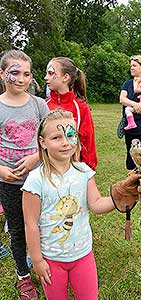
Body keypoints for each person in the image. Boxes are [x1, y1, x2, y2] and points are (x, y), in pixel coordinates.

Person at [22, 110, 115, 300]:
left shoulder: (84, 172)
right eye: (57, 137)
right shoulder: (35, 181)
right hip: (51, 258)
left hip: (83, 255)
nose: (65, 142)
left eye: (71, 135)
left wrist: (119, 199)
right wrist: (37, 260)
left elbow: (96, 204)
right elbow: (30, 224)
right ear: (42, 142)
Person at [0, 49, 49, 300]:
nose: (21, 79)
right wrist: (0, 169)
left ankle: (43, 264)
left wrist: (36, 158)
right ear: (2, 74)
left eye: (27, 74)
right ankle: (23, 276)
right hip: (8, 182)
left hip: (37, 180)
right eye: (15, 73)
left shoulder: (39, 105)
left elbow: (52, 138)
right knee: (18, 229)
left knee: (40, 225)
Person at [44, 57, 98, 171]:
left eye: (50, 73)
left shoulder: (81, 108)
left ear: (65, 77)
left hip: (72, 171)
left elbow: (88, 142)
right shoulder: (43, 105)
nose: (46, 78)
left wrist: (87, 170)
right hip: (46, 170)